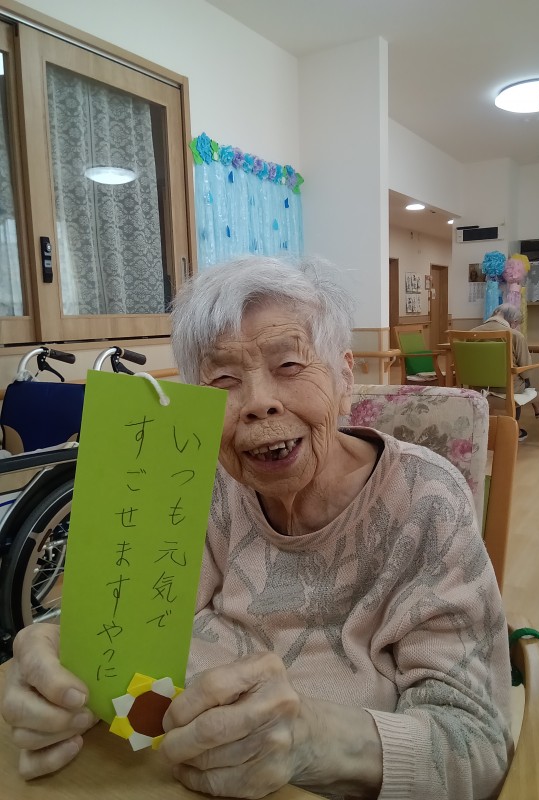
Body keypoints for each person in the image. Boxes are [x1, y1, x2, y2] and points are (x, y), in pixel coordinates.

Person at [1, 257, 512, 800]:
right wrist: (67, 663)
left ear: (344, 377)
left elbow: (477, 744)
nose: (258, 402)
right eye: (223, 379)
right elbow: (127, 629)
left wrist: (313, 742)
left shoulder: (426, 501)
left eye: (289, 364)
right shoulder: (195, 479)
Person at [472, 303, 539, 442]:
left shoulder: (471, 333)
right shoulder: (515, 336)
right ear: (514, 321)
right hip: (506, 389)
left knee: (516, 377)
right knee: (520, 377)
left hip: (478, 388)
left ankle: (490, 429)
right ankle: (514, 429)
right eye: (517, 324)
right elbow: (526, 373)